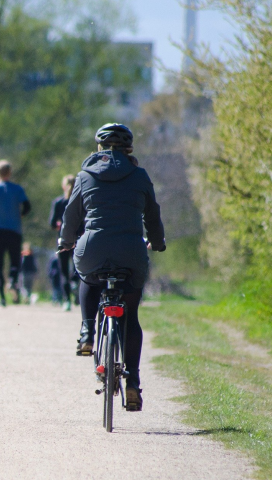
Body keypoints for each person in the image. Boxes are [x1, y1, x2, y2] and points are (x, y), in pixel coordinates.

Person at [59, 123, 165, 412]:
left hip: (93, 249)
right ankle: (132, 382)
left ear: (99, 148)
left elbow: (71, 216)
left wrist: (65, 242)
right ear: (129, 149)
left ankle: (87, 332)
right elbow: (152, 216)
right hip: (131, 252)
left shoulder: (84, 175)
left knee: (87, 276)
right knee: (131, 316)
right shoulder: (140, 175)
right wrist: (157, 242)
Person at [0, 160, 31, 306]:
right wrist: (19, 214)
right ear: (10, 173)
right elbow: (27, 207)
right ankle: (13, 280)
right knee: (15, 261)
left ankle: (2, 298)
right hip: (15, 230)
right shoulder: (18, 189)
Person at [49, 174, 80, 312]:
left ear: (63, 186)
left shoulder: (58, 202)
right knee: (78, 266)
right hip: (79, 239)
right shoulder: (80, 201)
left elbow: (52, 223)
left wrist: (58, 224)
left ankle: (67, 300)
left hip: (62, 240)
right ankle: (75, 283)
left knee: (63, 272)